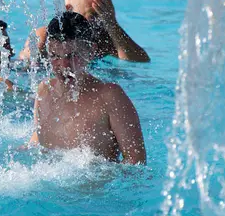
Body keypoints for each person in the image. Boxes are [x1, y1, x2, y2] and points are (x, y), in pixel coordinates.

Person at [29, 12, 146, 164]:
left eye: (72, 55)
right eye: (55, 56)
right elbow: (38, 142)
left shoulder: (110, 97)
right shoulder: (44, 90)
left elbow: (136, 162)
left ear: (91, 52)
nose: (64, 66)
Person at [19, 0, 150, 63]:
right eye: (92, 16)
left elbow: (139, 62)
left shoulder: (103, 39)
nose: (99, 22)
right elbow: (24, 67)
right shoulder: (46, 37)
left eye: (103, 15)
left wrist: (112, 23)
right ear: (68, 10)